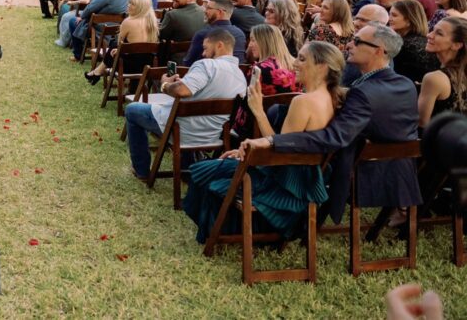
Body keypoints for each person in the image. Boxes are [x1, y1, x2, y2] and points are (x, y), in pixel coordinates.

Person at [242, 22, 422, 226]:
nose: (348, 45)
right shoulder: (405, 84)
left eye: (357, 41)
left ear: (379, 51)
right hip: (402, 173)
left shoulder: (363, 93)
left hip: (367, 174)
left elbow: (334, 137)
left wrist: (273, 141)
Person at [183, 41, 343, 243]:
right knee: (215, 167)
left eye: (302, 59)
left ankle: (223, 231)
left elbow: (279, 152)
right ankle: (227, 229)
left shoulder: (304, 102)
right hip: (302, 177)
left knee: (203, 172)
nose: (294, 63)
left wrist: (258, 111)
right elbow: (282, 144)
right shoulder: (330, 97)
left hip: (282, 180)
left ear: (322, 67)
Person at [126, 28, 246, 180]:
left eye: (205, 48)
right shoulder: (240, 75)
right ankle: (187, 166)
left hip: (183, 131)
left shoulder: (207, 65)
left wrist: (165, 85)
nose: (203, 53)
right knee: (188, 112)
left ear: (219, 45)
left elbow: (182, 91)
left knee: (132, 110)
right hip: (215, 134)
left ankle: (142, 170)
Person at [85, 0, 159, 84]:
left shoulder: (128, 22)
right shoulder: (153, 22)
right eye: (129, 2)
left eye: (132, 4)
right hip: (148, 64)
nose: (128, 5)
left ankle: (97, 72)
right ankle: (97, 72)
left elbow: (120, 43)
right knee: (115, 47)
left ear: (140, 7)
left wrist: (118, 49)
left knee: (114, 46)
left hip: (128, 66)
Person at [67, 0, 131, 62]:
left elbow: (91, 7)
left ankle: (78, 55)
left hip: (100, 26)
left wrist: (82, 16)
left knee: (73, 21)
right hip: (118, 26)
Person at [418, 16, 467, 127]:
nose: (429, 35)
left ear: (456, 45)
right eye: (432, 30)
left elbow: (421, 124)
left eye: (439, 33)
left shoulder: (435, 79)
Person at [183, 0, 246, 66]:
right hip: (236, 74)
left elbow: (188, 63)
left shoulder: (203, 34)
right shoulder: (240, 33)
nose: (205, 11)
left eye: (209, 8)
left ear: (220, 12)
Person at [389, 0, 439, 85]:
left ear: (409, 20)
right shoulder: (425, 40)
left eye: (394, 15)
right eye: (389, 14)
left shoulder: (403, 45)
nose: (389, 19)